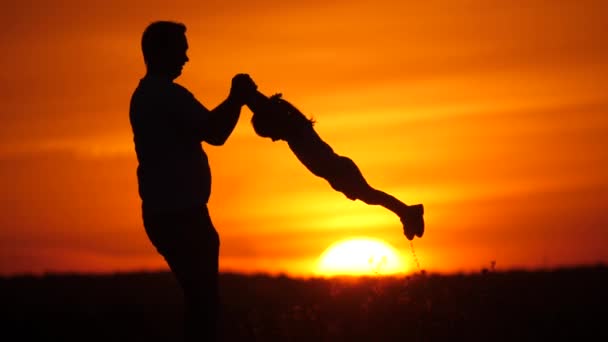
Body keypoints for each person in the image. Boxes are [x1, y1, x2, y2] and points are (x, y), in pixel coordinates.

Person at [128, 21, 257, 341]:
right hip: (182, 216)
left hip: (170, 214)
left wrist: (235, 101)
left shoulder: (146, 95)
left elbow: (210, 129)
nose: (186, 58)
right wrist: (237, 98)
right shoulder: (166, 95)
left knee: (200, 302)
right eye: (181, 50)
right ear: (159, 52)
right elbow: (215, 132)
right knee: (204, 305)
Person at [246, 92, 425, 240]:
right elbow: (268, 111)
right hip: (338, 173)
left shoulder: (297, 132)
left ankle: (408, 213)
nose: (273, 139)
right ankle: (407, 213)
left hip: (341, 170)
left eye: (271, 133)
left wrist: (251, 95)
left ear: (278, 123)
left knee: (370, 197)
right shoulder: (293, 131)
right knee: (370, 196)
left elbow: (271, 111)